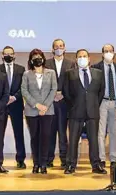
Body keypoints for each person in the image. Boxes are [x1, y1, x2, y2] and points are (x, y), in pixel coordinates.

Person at [63, 49, 107, 174]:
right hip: (75, 111)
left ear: (89, 58)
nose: (82, 58)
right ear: (76, 60)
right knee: (73, 139)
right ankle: (71, 165)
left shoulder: (98, 73)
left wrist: (93, 104)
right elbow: (66, 92)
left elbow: (101, 92)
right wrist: (74, 105)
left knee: (94, 139)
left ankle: (96, 165)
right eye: (79, 56)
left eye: (84, 56)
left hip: (92, 111)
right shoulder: (69, 73)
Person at [21, 48, 57, 174]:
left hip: (47, 111)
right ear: (31, 60)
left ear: (43, 58)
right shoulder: (26, 74)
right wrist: (37, 105)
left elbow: (54, 89)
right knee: (35, 137)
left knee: (46, 137)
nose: (37, 59)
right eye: (34, 57)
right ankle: (36, 163)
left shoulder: (51, 73)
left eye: (39, 56)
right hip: (32, 111)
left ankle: (44, 164)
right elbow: (24, 91)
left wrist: (45, 106)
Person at [92, 44, 116, 168]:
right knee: (100, 132)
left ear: (114, 53)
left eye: (110, 51)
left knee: (114, 132)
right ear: (102, 53)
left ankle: (114, 158)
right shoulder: (96, 68)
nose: (108, 53)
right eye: (106, 51)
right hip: (102, 102)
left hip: (115, 102)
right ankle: (101, 158)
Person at [45, 38, 74, 168]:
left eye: (61, 46)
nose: (59, 48)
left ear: (65, 48)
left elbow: (72, 81)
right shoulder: (46, 63)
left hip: (64, 101)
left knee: (63, 132)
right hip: (50, 102)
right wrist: (53, 94)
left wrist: (62, 93)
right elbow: (44, 82)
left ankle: (64, 159)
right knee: (50, 132)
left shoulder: (71, 63)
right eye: (56, 46)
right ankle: (49, 159)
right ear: (52, 49)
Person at [0, 46, 26, 169]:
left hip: (17, 104)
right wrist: (5, 99)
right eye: (6, 54)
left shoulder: (21, 69)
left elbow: (23, 87)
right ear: (2, 55)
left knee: (19, 133)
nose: (8, 55)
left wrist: (14, 97)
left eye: (11, 53)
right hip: (2, 105)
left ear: (14, 55)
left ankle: (20, 159)